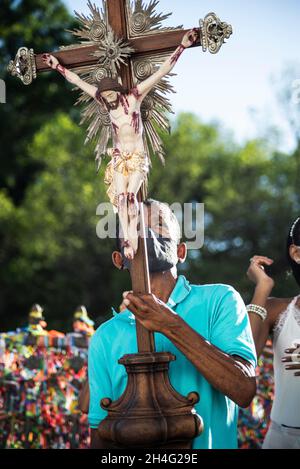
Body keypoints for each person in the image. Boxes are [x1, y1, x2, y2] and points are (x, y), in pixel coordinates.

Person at [88, 199, 257, 449]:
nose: (145, 233)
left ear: (180, 251)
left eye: (158, 224)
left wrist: (170, 324)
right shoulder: (105, 336)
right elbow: (101, 435)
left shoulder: (220, 300)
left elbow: (243, 390)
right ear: (118, 258)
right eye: (133, 226)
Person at [41, 30, 198, 260]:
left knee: (131, 198)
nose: (108, 96)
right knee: (121, 199)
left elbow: (162, 72)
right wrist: (57, 67)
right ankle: (127, 240)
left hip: (136, 158)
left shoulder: (134, 98)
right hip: (118, 158)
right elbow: (77, 81)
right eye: (105, 94)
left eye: (111, 92)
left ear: (117, 89)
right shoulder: (106, 104)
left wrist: (181, 47)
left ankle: (132, 242)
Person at [246, 216, 300, 449]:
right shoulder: (277, 310)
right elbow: (240, 365)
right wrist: (262, 288)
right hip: (282, 440)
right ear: (297, 253)